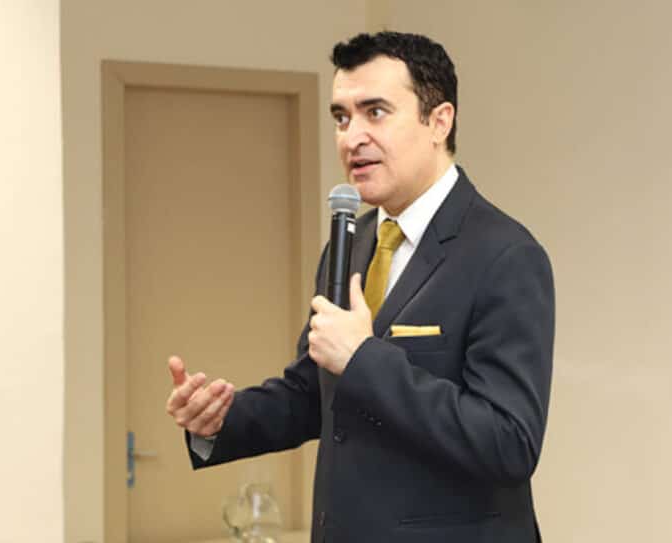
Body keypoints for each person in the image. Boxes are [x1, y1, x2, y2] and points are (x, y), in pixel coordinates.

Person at [165, 31, 554, 543]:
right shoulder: (351, 242)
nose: (351, 138)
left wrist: (364, 358)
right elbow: (315, 393)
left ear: (439, 121)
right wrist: (222, 420)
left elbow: (509, 442)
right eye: (341, 118)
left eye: (375, 112)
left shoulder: (505, 255)